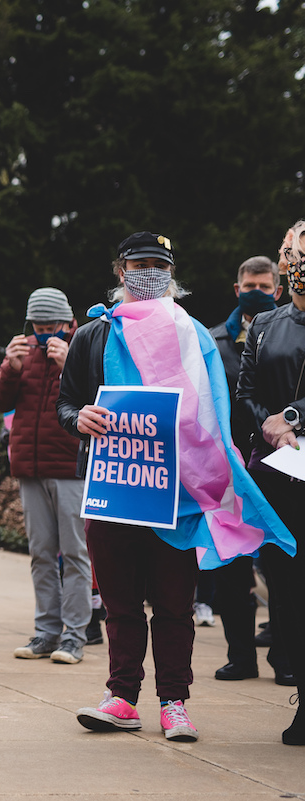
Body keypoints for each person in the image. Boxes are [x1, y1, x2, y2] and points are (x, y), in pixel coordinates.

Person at [59, 231, 292, 743]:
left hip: (177, 496)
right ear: (121, 270)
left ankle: (174, 702)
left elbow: (215, 415)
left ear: (171, 273)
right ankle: (121, 697)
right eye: (140, 264)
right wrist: (80, 419)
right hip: (115, 486)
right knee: (119, 603)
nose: (150, 274)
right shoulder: (94, 334)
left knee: (172, 605)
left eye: (159, 266)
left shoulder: (194, 336)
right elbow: (67, 402)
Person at [0, 287, 91, 665]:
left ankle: (75, 636)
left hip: (70, 467)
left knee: (76, 554)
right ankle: (46, 632)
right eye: (39, 326)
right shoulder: (23, 352)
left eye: (53, 326)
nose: (46, 333)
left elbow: (100, 397)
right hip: (29, 467)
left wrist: (71, 365)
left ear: (68, 323)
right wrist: (9, 367)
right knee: (41, 554)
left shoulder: (84, 346)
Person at [236, 221, 305, 745]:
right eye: (289, 250)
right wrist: (270, 426)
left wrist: (293, 417)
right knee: (285, 590)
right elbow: (246, 390)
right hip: (278, 473)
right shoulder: (264, 324)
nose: (292, 258)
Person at [207, 256, 289, 684]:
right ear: (236, 288)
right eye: (247, 284)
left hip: (279, 461)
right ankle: (240, 655)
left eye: (263, 284)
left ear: (277, 289)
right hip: (228, 468)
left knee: (280, 565)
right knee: (231, 568)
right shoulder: (213, 339)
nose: (254, 290)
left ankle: (284, 654)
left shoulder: (288, 333)